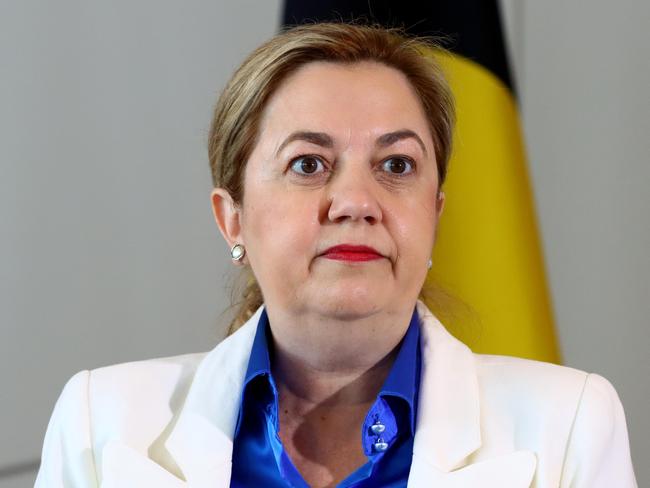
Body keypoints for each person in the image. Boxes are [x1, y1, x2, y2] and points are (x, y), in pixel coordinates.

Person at [35, 23, 637, 488]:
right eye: (308, 164)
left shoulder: (570, 424)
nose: (355, 201)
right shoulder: (101, 420)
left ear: (434, 213)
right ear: (232, 218)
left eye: (396, 165)